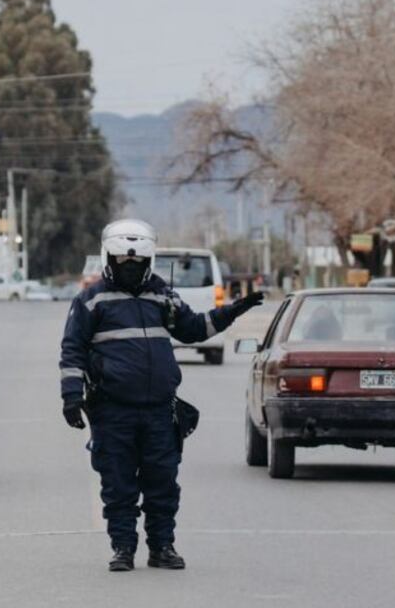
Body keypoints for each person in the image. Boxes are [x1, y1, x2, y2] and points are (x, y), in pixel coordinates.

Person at [59, 219, 264, 572]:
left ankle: (162, 547)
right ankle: (123, 547)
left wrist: (234, 310)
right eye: (124, 261)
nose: (131, 267)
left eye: (137, 262)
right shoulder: (91, 300)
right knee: (118, 484)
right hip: (112, 410)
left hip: (158, 411)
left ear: (149, 261)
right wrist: (71, 396)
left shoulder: (162, 295)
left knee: (163, 483)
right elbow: (73, 348)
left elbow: (195, 329)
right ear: (110, 258)